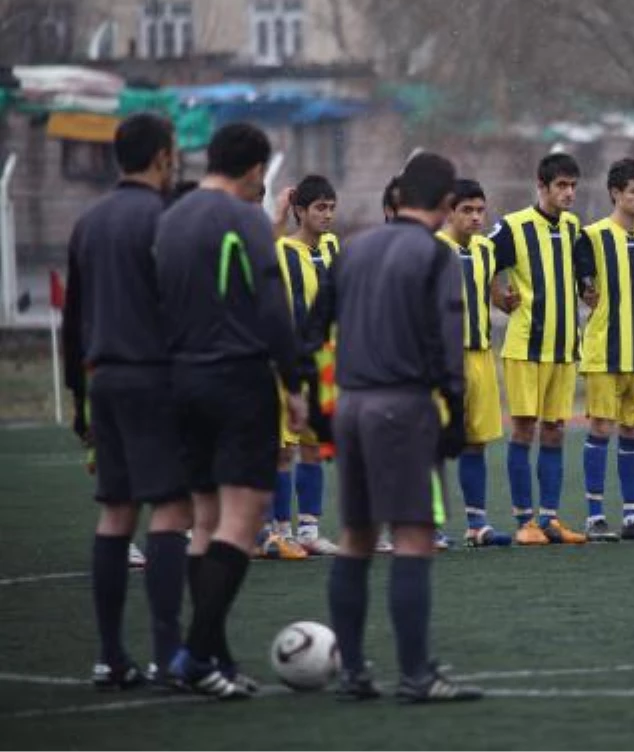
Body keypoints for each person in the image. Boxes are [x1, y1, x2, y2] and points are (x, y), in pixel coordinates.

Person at [323, 152, 482, 703]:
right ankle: (416, 674)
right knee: (414, 536)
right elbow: (446, 339)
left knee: (356, 537)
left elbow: (314, 325)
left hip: (351, 405)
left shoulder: (354, 248)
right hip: (403, 408)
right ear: (443, 203)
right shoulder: (436, 257)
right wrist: (456, 412)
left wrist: (318, 397)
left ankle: (352, 673)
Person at [157, 122, 307, 699]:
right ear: (252, 172)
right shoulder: (244, 220)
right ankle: (196, 655)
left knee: (204, 520)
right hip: (237, 380)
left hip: (180, 380)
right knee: (242, 521)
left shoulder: (170, 217)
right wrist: (293, 384)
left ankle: (212, 659)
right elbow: (272, 308)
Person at [62, 113, 191, 689]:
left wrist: (78, 398)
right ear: (162, 156)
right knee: (170, 510)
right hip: (154, 378)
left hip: (104, 379)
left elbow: (73, 320)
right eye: (176, 152)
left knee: (115, 513)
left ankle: (110, 655)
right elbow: (179, 307)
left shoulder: (88, 222)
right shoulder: (165, 219)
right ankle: (168, 654)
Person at [488, 153, 586, 545]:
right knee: (525, 428)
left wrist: (587, 289)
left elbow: (579, 271)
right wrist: (496, 292)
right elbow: (480, 257)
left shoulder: (573, 226)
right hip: (526, 345)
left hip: (563, 346)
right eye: (561, 186)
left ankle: (550, 519)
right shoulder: (513, 227)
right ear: (542, 187)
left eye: (573, 186)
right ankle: (524, 521)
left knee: (556, 430)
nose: (569, 193)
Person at [575, 159, 634, 542]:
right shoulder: (592, 236)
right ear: (615, 193)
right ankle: (595, 517)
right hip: (604, 350)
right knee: (600, 427)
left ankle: (632, 516)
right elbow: (581, 284)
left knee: (633, 430)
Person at [265, 175, 341, 558]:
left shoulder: (333, 247)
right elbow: (259, 254)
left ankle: (309, 529)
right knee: (282, 449)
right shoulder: (281, 247)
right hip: (286, 364)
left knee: (313, 448)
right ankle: (278, 531)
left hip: (323, 364)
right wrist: (276, 216)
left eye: (331, 207)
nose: (327, 215)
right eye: (319, 208)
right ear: (300, 211)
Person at [436, 179, 512, 547]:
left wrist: (506, 301)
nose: (476, 217)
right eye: (467, 210)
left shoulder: (485, 250)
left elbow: (494, 293)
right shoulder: (431, 248)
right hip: (441, 360)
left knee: (476, 442)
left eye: (480, 210)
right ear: (449, 211)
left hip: (480, 356)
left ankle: (477, 524)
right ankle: (427, 524)